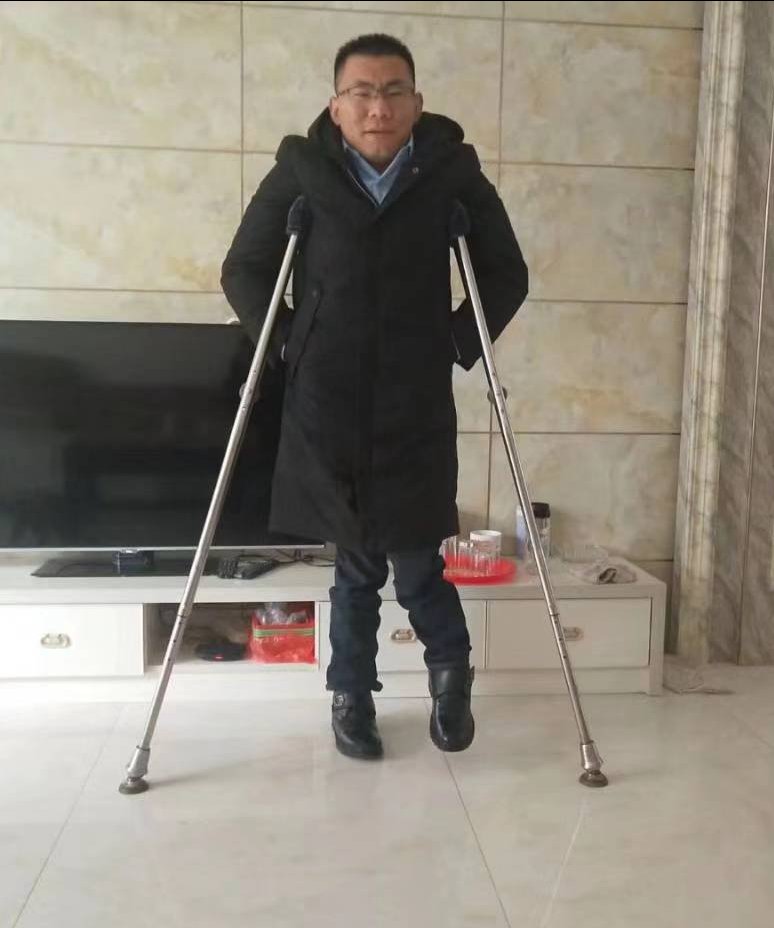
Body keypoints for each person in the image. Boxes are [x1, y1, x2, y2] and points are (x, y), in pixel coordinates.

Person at [221, 33, 528, 760]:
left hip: (412, 400)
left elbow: (505, 273)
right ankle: (351, 696)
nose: (378, 108)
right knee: (356, 566)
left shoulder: (451, 172)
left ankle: (450, 679)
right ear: (337, 105)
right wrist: (293, 341)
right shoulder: (300, 169)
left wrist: (454, 341)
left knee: (419, 560)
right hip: (327, 400)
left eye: (393, 92)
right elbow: (245, 268)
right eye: (362, 93)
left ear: (416, 103)